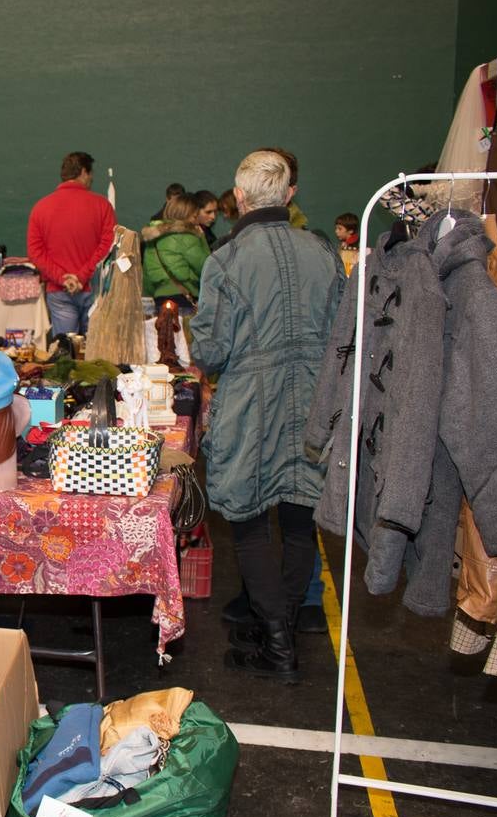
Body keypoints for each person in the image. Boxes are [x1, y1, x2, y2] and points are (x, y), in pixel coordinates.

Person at [189, 150, 344, 683]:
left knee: (251, 530)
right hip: (315, 409)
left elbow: (210, 352)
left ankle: (277, 647)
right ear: (288, 195)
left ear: (239, 199)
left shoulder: (226, 260)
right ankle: (278, 629)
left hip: (252, 410)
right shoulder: (324, 253)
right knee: (300, 527)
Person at [26, 151, 117, 338]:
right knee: (95, 351)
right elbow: (108, 246)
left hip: (60, 291)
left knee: (66, 351)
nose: (91, 178)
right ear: (84, 172)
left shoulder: (40, 207)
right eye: (91, 174)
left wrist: (63, 278)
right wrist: (82, 277)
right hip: (94, 289)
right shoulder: (102, 206)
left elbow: (35, 252)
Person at [141, 194, 211, 312]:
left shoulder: (152, 239)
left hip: (159, 300)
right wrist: (202, 237)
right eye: (195, 216)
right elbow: (207, 266)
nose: (196, 221)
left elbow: (147, 276)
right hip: (183, 300)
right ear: (187, 214)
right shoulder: (188, 237)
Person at [334, 211, 360, 276]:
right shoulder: (344, 245)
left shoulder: (351, 249)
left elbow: (347, 272)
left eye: (340, 229)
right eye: (336, 228)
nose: (336, 231)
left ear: (350, 231)